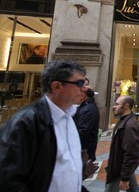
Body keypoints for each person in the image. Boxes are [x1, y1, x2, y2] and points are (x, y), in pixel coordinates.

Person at [0, 60, 86, 191]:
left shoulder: (69, 117)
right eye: (79, 83)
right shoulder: (25, 122)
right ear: (57, 87)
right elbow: (8, 181)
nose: (84, 88)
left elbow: (68, 169)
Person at [105, 95, 139, 192]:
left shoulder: (129, 126)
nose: (114, 107)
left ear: (126, 106)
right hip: (121, 165)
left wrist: (125, 177)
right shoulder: (123, 121)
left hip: (119, 168)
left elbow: (132, 153)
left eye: (117, 104)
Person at [74, 78, 100, 162]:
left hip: (84, 149)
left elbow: (83, 131)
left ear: (83, 95)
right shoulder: (85, 106)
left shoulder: (87, 109)